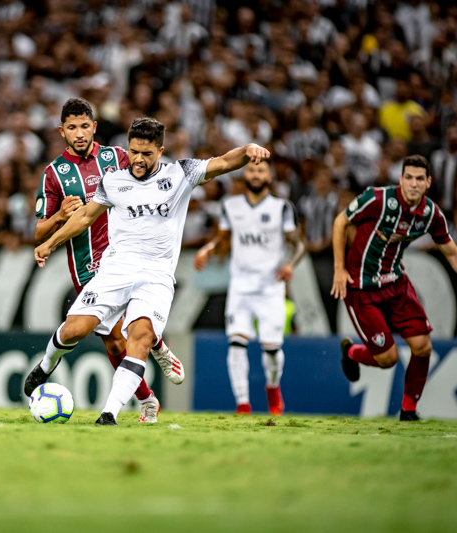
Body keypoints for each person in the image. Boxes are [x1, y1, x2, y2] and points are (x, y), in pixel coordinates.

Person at [27, 117, 269, 425]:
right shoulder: (114, 180)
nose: (138, 160)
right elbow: (86, 216)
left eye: (146, 153)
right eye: (134, 152)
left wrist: (249, 150)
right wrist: (51, 243)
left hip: (156, 276)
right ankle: (46, 364)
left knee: (137, 338)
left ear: (160, 150)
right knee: (75, 329)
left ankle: (109, 414)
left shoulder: (180, 173)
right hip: (115, 270)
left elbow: (222, 163)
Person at [32, 98, 184, 424]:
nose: (79, 133)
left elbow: (150, 184)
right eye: (72, 127)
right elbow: (38, 228)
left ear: (95, 127)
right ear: (62, 132)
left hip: (125, 256)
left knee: (131, 331)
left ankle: (150, 366)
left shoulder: (117, 157)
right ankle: (147, 395)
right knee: (114, 342)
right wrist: (58, 217)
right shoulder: (53, 173)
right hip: (87, 263)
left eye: (85, 125)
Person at [331, 154, 457, 421]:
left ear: (428, 182)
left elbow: (453, 254)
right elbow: (341, 222)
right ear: (401, 179)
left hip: (396, 283)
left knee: (422, 347)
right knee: (388, 359)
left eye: (420, 179)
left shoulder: (430, 214)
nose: (413, 184)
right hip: (362, 287)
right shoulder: (378, 199)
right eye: (408, 177)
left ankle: (408, 411)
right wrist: (339, 269)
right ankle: (351, 353)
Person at [193, 161, 305, 415]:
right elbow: (222, 239)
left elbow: (299, 244)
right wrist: (207, 250)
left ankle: (273, 388)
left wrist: (290, 264)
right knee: (236, 344)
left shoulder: (281, 207)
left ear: (269, 175)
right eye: (252, 171)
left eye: (261, 171)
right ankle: (242, 403)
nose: (255, 175)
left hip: (270, 288)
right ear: (245, 175)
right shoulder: (230, 206)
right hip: (240, 288)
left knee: (273, 350)